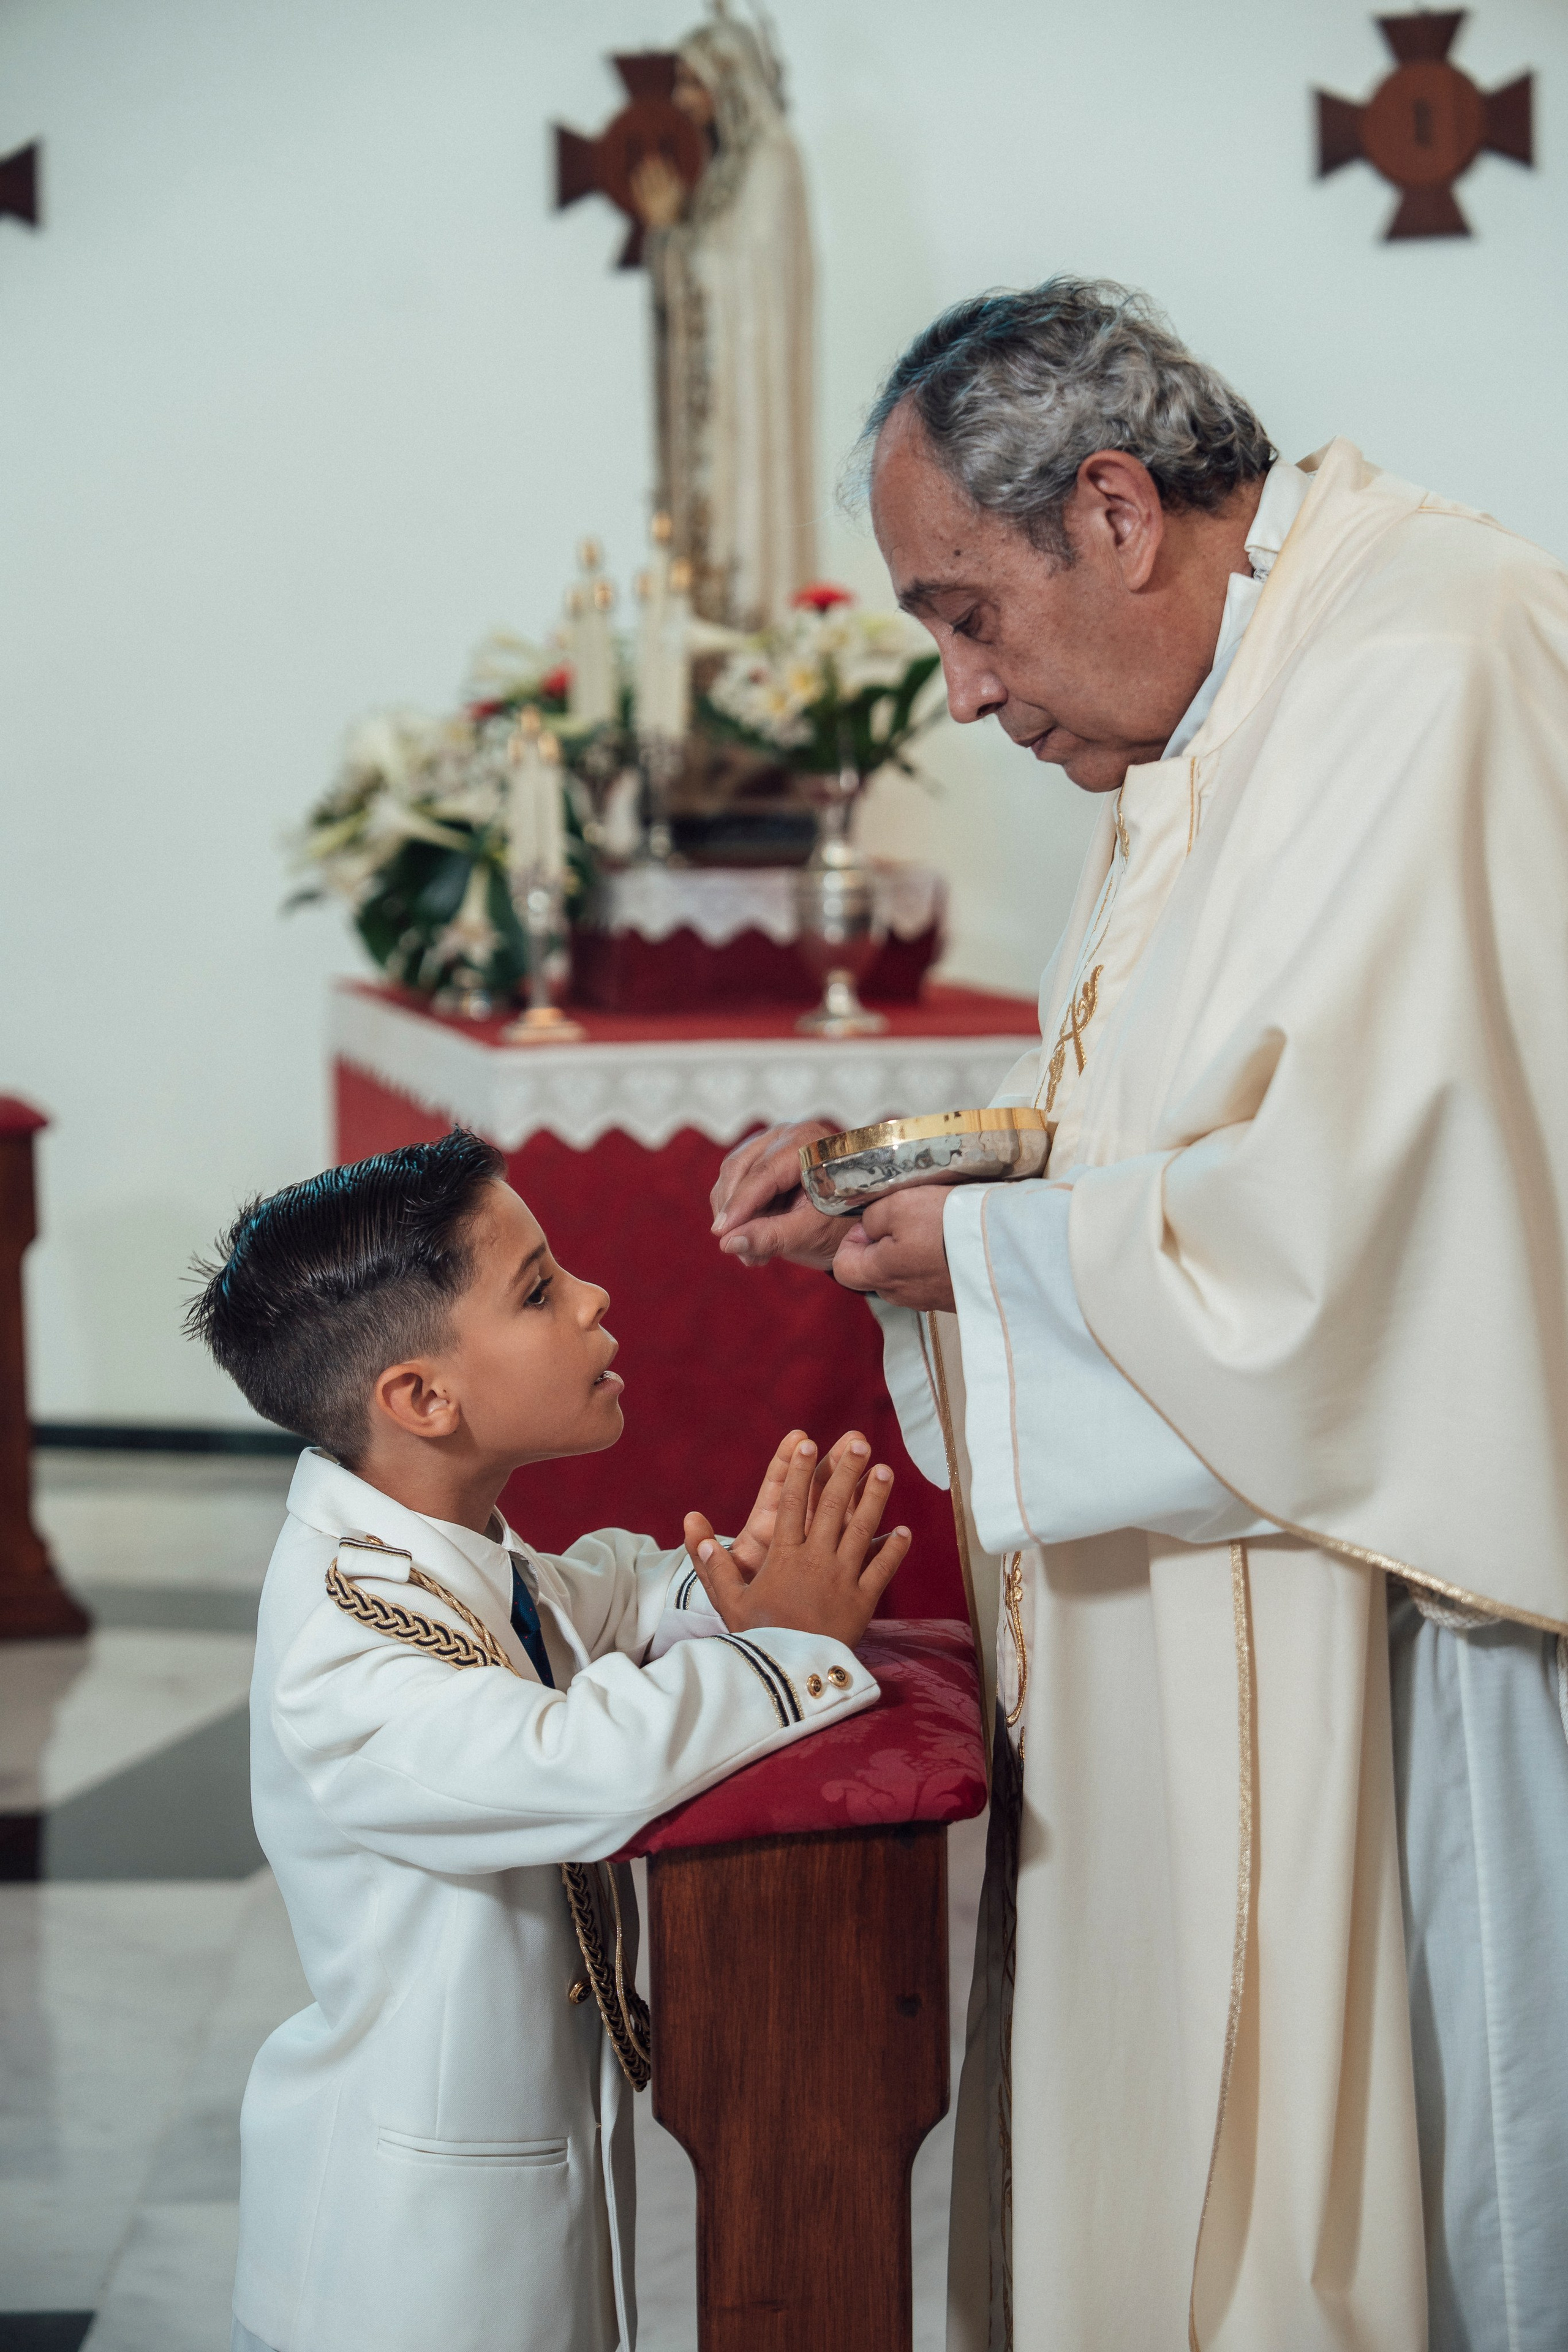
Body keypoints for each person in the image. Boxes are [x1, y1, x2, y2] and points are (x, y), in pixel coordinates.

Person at [707, 279, 1568, 2351]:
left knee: (1441, 2180)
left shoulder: (1427, 663)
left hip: (1413, 1631)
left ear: (1114, 512)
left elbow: (1409, 1227)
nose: (967, 697)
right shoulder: (1229, 704)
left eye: (963, 613)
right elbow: (1194, 1117)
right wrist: (936, 1176)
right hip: (1250, 1597)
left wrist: (996, 1262)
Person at [184, 1127, 908, 2352]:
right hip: (398, 2271)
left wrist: (722, 1589)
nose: (592, 1300)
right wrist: (785, 1651)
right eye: (537, 1291)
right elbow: (576, 1764)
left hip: (501, 2198)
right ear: (420, 1398)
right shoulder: (345, 1650)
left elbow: (596, 1600)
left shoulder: (441, 1543)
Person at [630, 7, 816, 630]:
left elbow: (742, 279)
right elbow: (711, 264)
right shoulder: (721, 175)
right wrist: (672, 237)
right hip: (718, 398)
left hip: (749, 396)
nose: (682, 99)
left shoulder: (773, 160)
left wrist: (672, 236)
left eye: (691, 81)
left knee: (748, 524)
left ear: (728, 79)